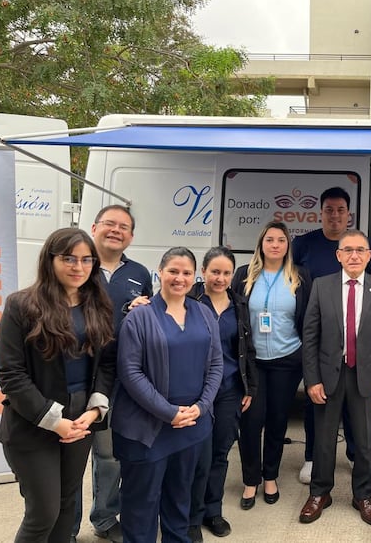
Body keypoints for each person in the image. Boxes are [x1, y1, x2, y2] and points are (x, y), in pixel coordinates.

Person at [0, 228, 115, 543]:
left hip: (81, 421)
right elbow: (10, 373)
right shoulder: (21, 305)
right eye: (69, 259)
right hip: (33, 424)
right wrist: (55, 422)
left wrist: (93, 412)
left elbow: (106, 364)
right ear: (51, 260)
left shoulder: (99, 305)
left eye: (86, 260)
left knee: (66, 508)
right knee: (43, 514)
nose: (79, 267)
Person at [112, 247, 223, 543]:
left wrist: (201, 407)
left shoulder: (204, 313)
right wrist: (169, 412)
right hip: (147, 430)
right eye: (173, 271)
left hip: (191, 428)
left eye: (187, 272)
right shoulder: (139, 317)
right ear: (159, 272)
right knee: (141, 507)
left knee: (179, 504)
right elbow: (130, 372)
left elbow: (215, 364)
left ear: (195, 276)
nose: (179, 278)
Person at [292, 186, 371, 484]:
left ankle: (353, 458)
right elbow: (289, 277)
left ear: (348, 214)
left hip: (359, 350)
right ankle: (313, 460)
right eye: (329, 210)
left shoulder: (364, 244)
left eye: (340, 210)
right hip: (322, 340)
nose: (335, 215)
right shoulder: (303, 244)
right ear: (320, 212)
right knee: (318, 409)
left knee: (357, 418)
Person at [298, 229, 371, 526]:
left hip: (365, 376)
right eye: (348, 250)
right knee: (324, 440)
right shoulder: (321, 286)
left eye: (360, 250)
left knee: (366, 441)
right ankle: (320, 493)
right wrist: (312, 379)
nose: (354, 255)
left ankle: (363, 495)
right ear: (338, 255)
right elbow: (310, 335)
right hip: (328, 374)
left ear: (369, 256)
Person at [73, 205, 153, 543]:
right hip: (75, 375)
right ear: (94, 227)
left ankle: (104, 518)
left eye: (124, 227)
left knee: (108, 457)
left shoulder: (139, 273)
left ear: (131, 236)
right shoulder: (77, 265)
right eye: (109, 224)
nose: (116, 231)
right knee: (71, 459)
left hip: (117, 379)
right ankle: (66, 528)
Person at [232, 222, 311, 512]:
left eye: (281, 240)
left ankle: (271, 477)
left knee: (278, 421)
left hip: (287, 360)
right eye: (270, 239)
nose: (275, 244)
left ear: (287, 245)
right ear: (261, 243)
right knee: (251, 422)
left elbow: (308, 319)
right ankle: (250, 480)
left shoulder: (300, 276)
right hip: (252, 364)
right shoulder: (243, 275)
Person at [186, 247, 257, 541]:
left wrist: (250, 387)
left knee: (219, 453)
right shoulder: (188, 301)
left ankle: (211, 511)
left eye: (226, 273)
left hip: (229, 390)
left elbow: (247, 350)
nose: (220, 278)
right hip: (193, 391)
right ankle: (189, 516)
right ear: (203, 271)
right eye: (215, 271)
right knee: (192, 456)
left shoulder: (238, 304)